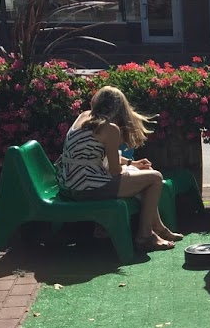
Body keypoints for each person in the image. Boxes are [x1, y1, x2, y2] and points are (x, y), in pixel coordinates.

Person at [56, 86, 185, 252]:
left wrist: (132, 164)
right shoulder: (109, 128)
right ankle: (145, 236)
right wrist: (131, 171)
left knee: (142, 177)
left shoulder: (84, 116)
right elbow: (115, 171)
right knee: (155, 178)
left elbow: (93, 157)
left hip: (71, 183)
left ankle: (158, 228)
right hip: (87, 188)